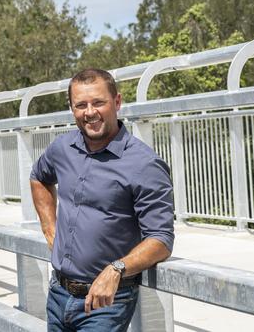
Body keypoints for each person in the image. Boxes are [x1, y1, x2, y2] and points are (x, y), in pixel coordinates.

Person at [30, 68, 175, 331]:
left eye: (99, 102)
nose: (90, 112)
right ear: (72, 108)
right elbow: (39, 177)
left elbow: (161, 240)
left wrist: (117, 268)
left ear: (117, 102)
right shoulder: (62, 148)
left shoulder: (144, 164)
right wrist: (49, 228)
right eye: (81, 105)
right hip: (58, 294)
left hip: (106, 303)